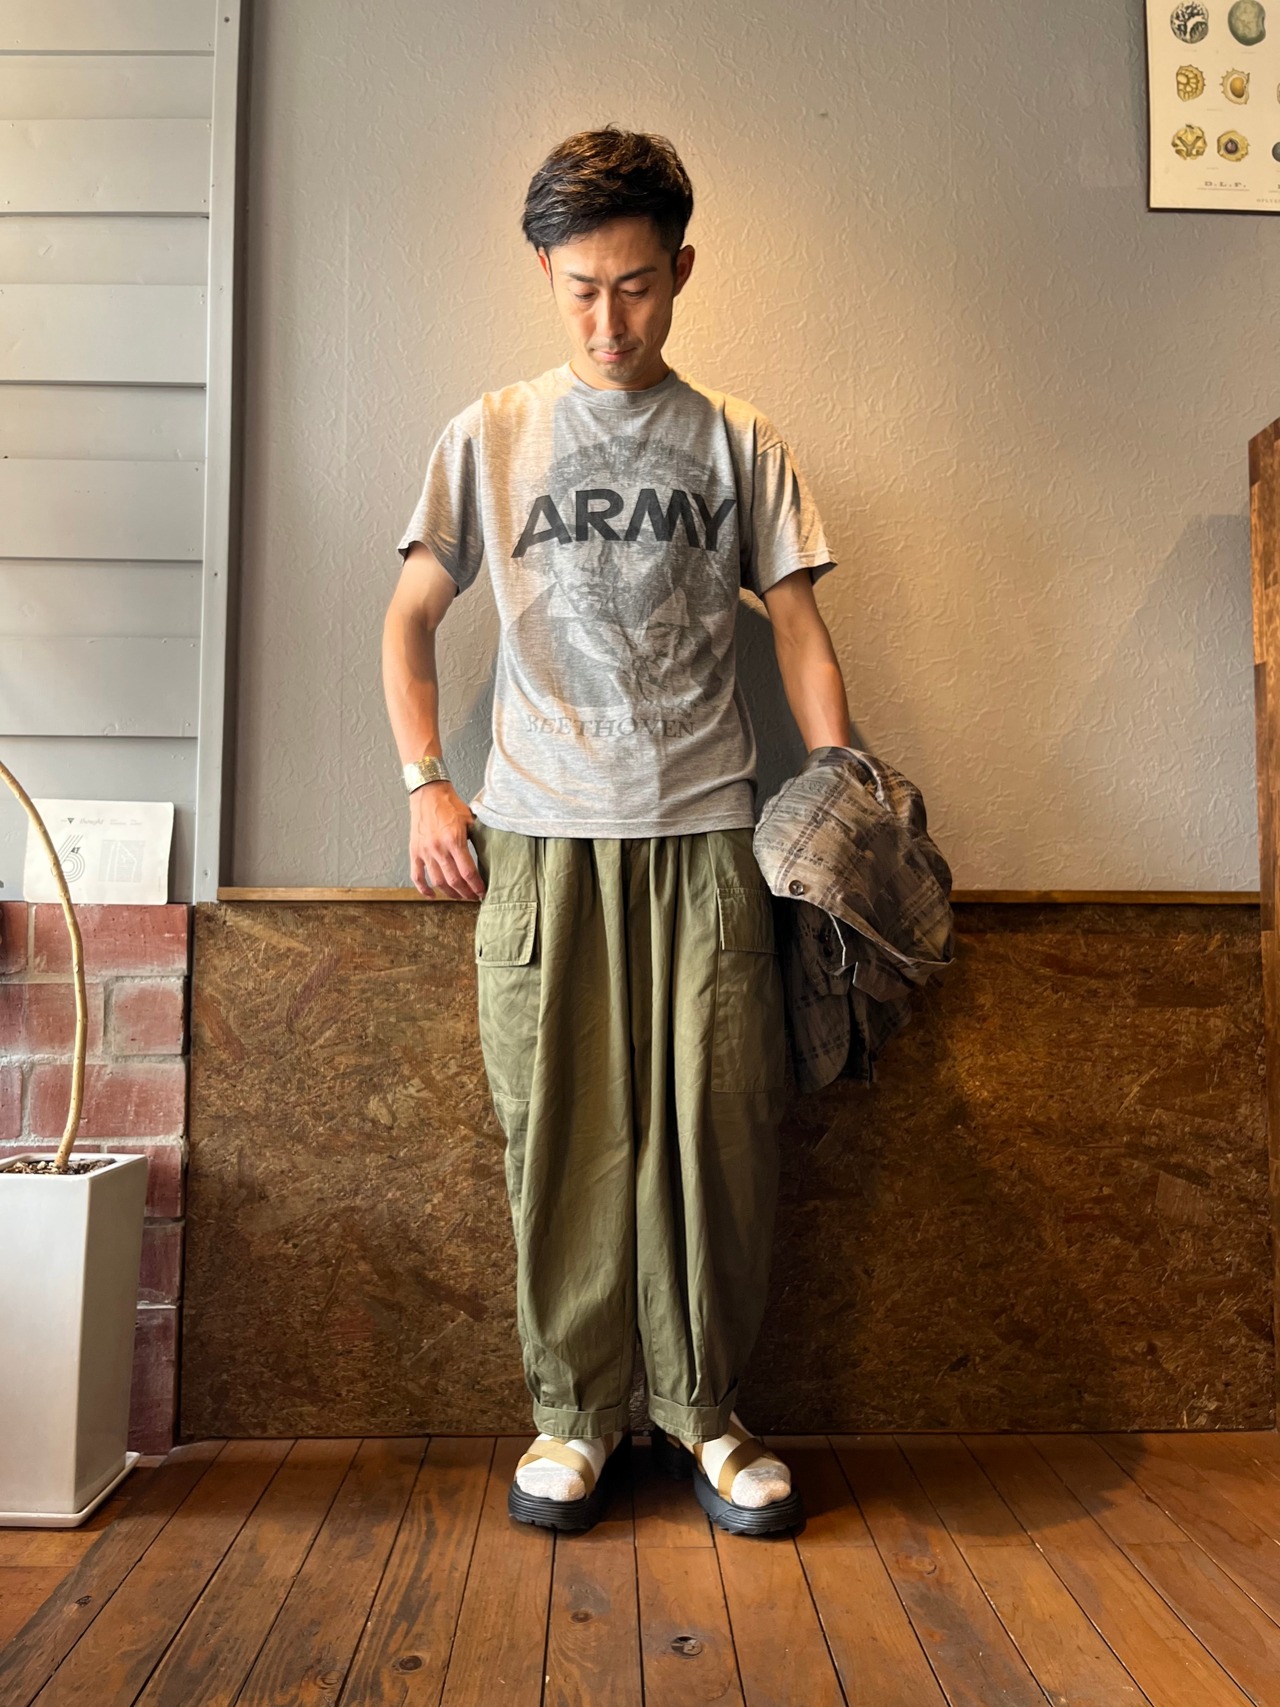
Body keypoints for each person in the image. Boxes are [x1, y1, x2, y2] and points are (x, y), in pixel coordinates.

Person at [382, 126, 852, 1537]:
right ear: (544, 272)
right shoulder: (489, 433)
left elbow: (802, 632)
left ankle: (708, 1415)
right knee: (564, 1134)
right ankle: (574, 1417)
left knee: (719, 1127)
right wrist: (424, 781)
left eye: (636, 286)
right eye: (582, 288)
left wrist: (839, 782)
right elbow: (409, 617)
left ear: (681, 270)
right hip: (538, 834)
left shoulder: (739, 440)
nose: (609, 320)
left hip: (710, 828)